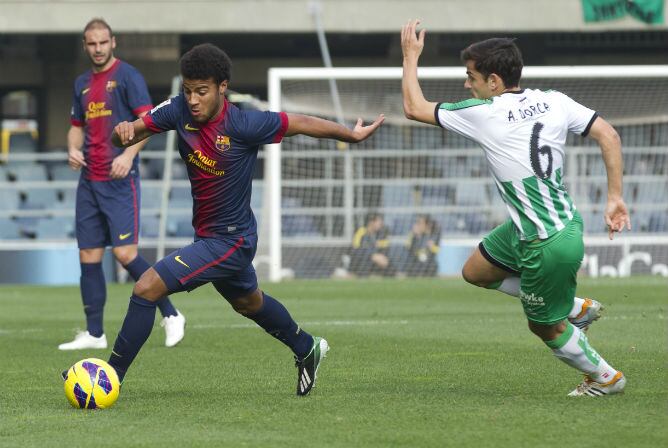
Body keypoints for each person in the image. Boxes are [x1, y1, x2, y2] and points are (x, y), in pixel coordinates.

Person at [86, 43, 383, 396]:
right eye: (188, 90)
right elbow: (143, 124)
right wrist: (127, 129)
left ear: (222, 87)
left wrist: (349, 134)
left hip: (231, 241)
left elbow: (299, 123)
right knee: (248, 302)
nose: (193, 99)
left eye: (202, 91)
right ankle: (306, 347)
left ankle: (108, 378)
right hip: (209, 237)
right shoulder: (178, 110)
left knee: (147, 287)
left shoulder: (244, 123)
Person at [401, 20, 631, 396]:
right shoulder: (554, 100)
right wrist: (615, 197)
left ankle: (606, 378)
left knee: (544, 326)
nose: (466, 85)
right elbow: (608, 134)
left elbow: (413, 107)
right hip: (547, 223)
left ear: (493, 81)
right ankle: (575, 307)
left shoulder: (484, 112)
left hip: (546, 241)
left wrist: (411, 57)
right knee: (476, 270)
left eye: (470, 77)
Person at [59, 18, 185, 351]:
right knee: (88, 254)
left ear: (113, 42)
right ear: (85, 45)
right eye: (91, 43)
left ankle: (171, 314)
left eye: (103, 42)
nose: (97, 48)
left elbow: (149, 123)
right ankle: (95, 334)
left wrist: (128, 156)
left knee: (126, 254)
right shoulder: (81, 83)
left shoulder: (128, 77)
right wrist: (72, 148)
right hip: (89, 180)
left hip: (119, 179)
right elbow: (76, 125)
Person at [349, 212, 395, 277]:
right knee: (365, 258)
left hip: (377, 261)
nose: (381, 224)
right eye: (378, 222)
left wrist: (380, 256)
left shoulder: (381, 234)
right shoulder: (361, 231)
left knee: (388, 263)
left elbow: (385, 248)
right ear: (371, 222)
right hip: (361, 261)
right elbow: (355, 249)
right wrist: (372, 255)